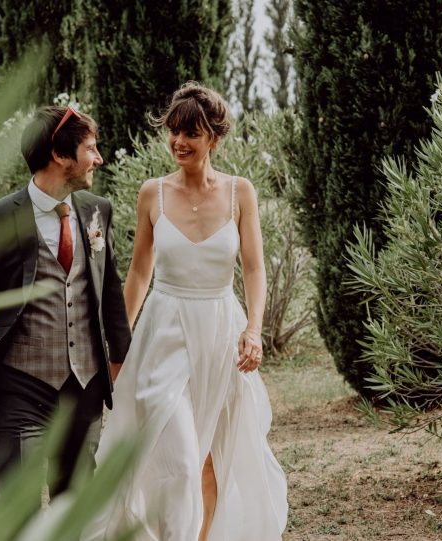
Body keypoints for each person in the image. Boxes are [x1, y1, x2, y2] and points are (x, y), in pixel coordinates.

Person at [83, 82, 287, 541]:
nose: (178, 142)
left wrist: (254, 330)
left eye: (190, 133)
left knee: (212, 459)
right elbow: (138, 274)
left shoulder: (241, 193)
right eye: (173, 131)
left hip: (221, 334)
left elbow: (254, 269)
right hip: (165, 333)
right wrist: (117, 345)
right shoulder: (152, 194)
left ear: (214, 137)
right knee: (176, 455)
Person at [0, 105, 132, 499]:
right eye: (91, 149)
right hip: (18, 392)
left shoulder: (97, 211)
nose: (99, 158)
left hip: (85, 390)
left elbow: (110, 295)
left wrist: (120, 367)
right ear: (60, 156)